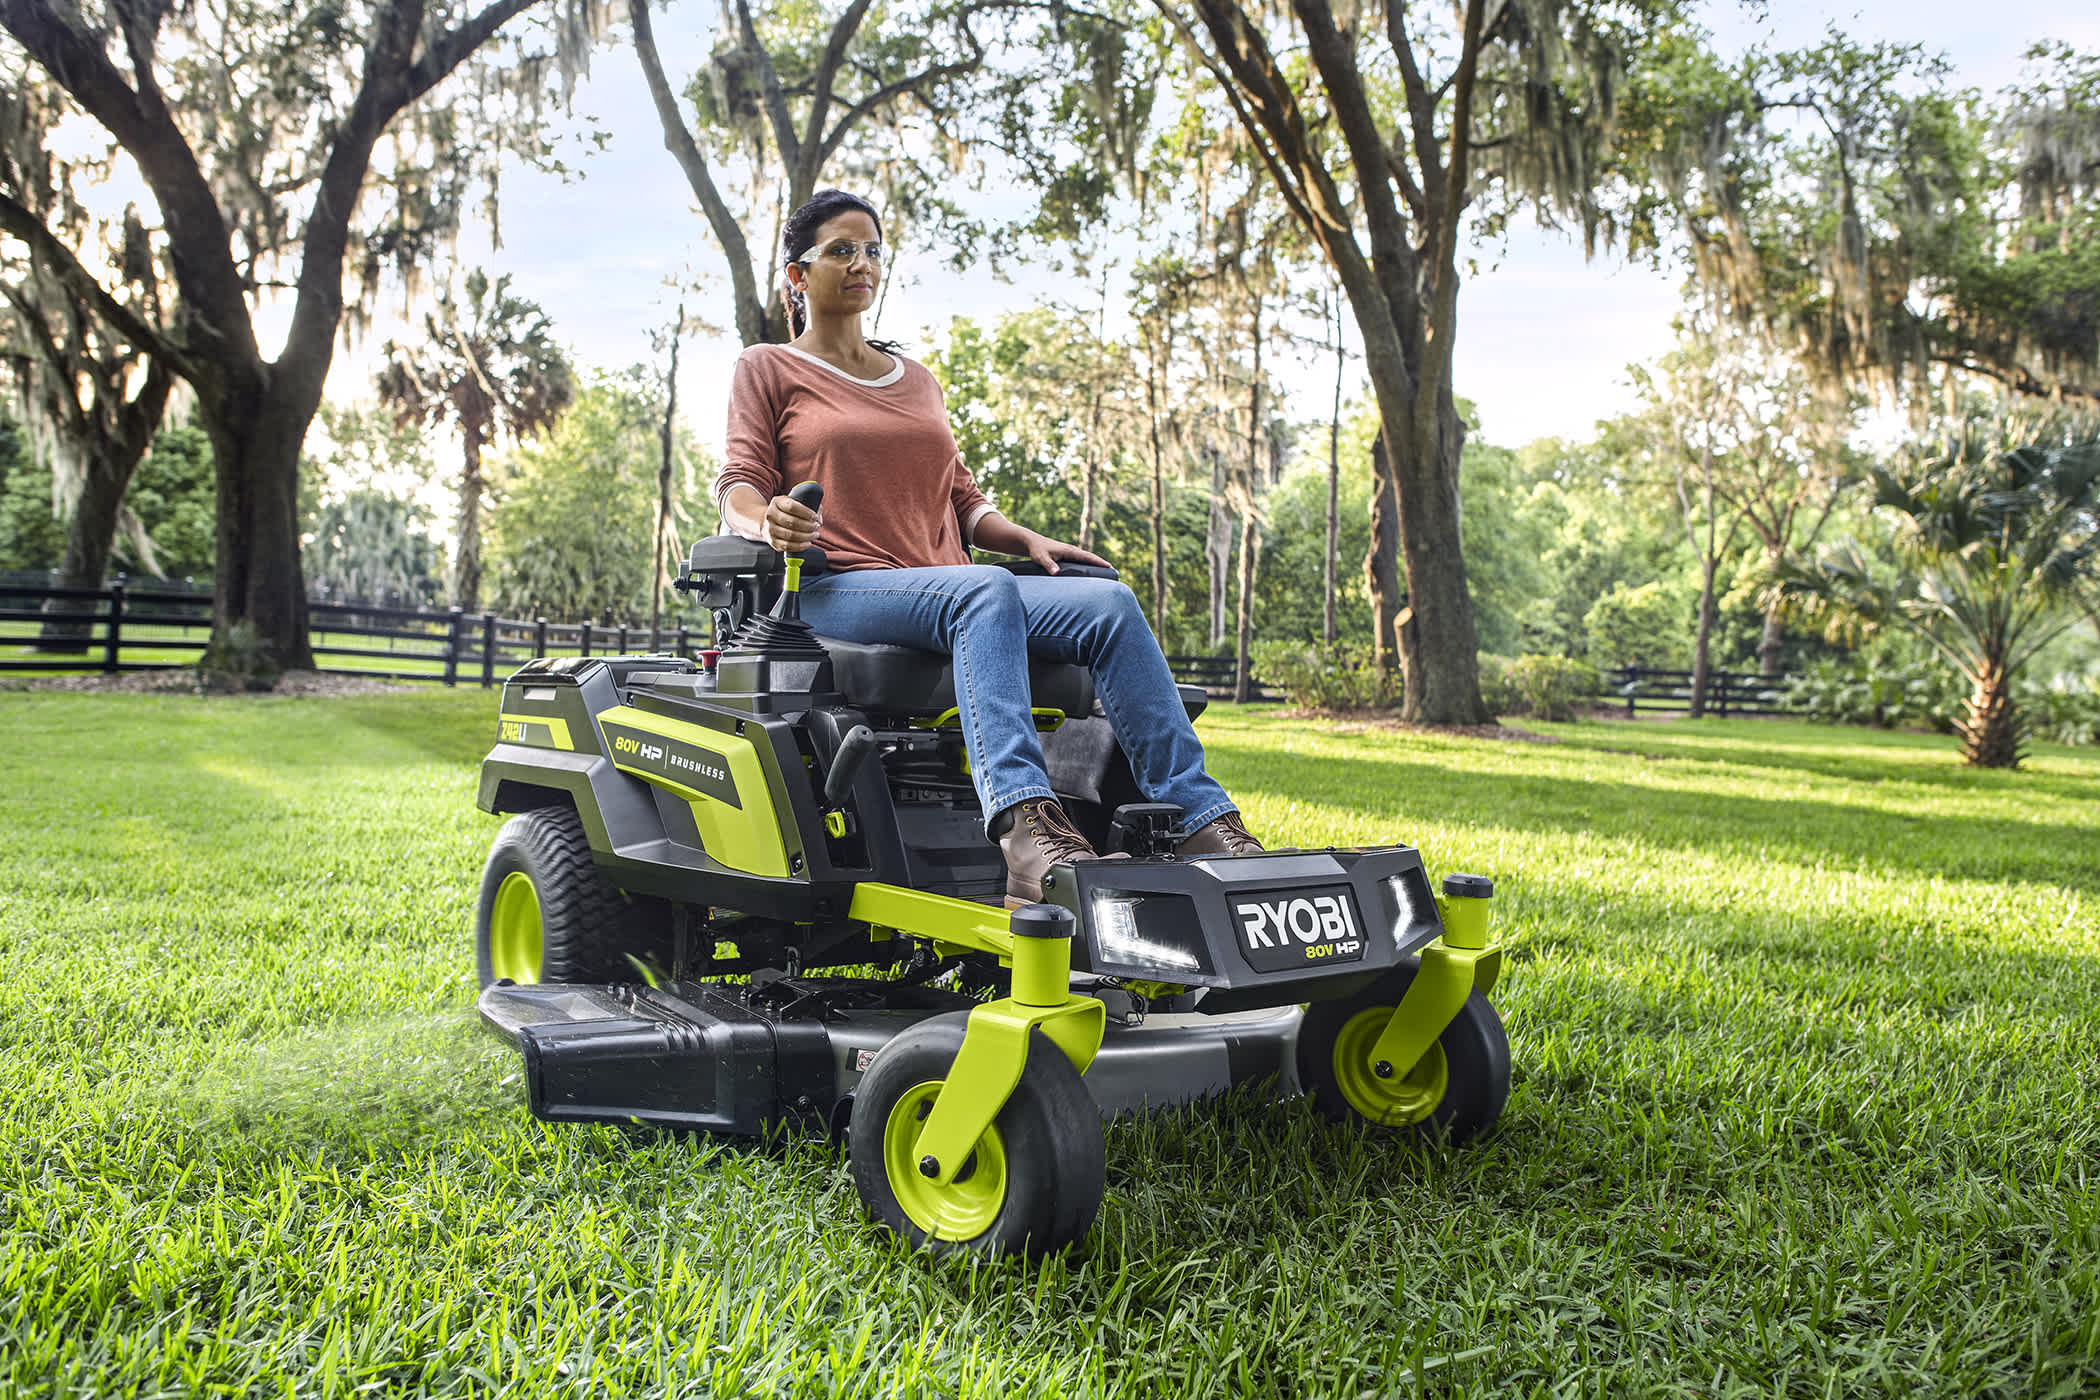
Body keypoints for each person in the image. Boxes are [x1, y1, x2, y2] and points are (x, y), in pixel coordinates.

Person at [715, 189, 1262, 906]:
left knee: (1108, 604)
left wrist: (1021, 536)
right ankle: (1025, 830)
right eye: (841, 250)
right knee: (985, 590)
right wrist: (769, 522)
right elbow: (736, 487)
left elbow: (962, 498)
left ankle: (1199, 817)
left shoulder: (916, 381)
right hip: (835, 591)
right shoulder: (767, 367)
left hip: (948, 589)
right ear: (798, 274)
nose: (862, 264)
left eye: (873, 250)